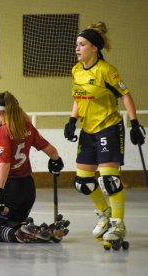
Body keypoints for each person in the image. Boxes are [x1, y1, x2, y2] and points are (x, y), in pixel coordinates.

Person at [64, 22, 145, 245]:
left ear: (95, 48)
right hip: (88, 129)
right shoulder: (76, 70)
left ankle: (118, 224)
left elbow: (125, 95)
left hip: (108, 127)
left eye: (82, 45)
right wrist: (72, 120)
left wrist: (135, 123)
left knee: (109, 180)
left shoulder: (106, 71)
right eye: (77, 45)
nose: (77, 49)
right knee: (83, 183)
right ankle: (105, 213)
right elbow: (78, 96)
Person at [0, 91, 66, 243]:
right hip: (28, 189)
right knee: (11, 224)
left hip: (10, 189)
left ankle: (21, 235)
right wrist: (56, 161)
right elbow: (51, 151)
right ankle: (40, 232)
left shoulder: (2, 132)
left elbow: (5, 164)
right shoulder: (26, 127)